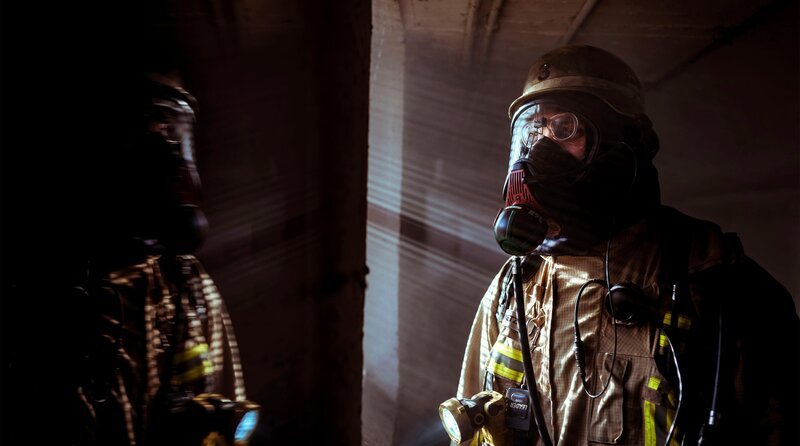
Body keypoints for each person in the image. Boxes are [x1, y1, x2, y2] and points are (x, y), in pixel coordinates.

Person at [451, 45, 798, 446]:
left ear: (623, 145)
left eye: (565, 127)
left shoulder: (714, 282)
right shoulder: (516, 283)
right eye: (534, 130)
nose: (540, 149)